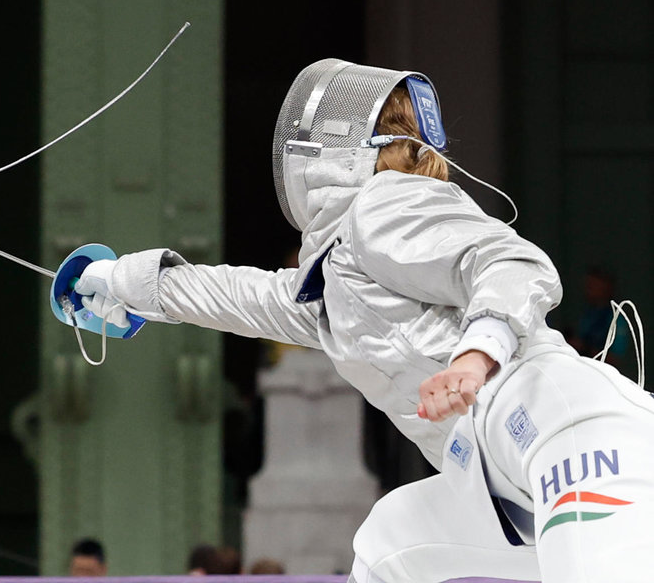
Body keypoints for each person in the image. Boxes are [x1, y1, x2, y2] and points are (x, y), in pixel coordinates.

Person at [73, 59, 654, 582]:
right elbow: (241, 296)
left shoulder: (385, 204)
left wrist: (477, 353)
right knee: (387, 541)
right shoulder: (335, 286)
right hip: (500, 486)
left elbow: (512, 261)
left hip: (564, 427)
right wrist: (120, 284)